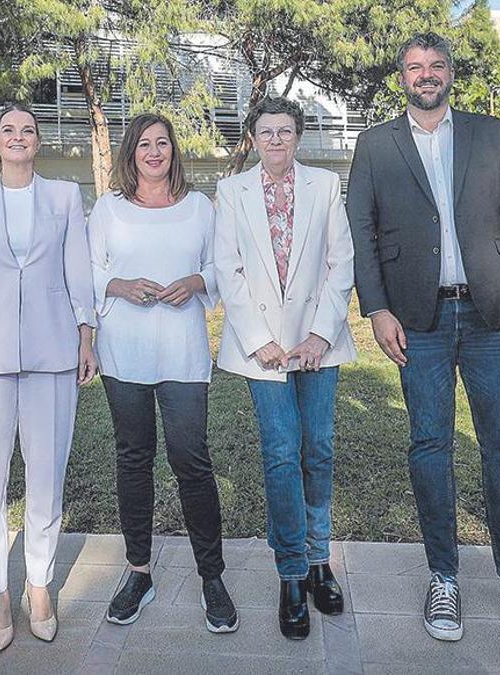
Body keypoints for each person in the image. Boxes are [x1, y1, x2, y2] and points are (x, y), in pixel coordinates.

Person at [346, 32, 500, 648]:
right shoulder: (375, 144)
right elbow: (361, 230)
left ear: (450, 74)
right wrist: (379, 308)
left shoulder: (491, 134)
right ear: (401, 77)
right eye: (414, 66)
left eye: (436, 65)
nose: (426, 74)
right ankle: (443, 576)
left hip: (492, 315)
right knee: (429, 444)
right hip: (417, 320)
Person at [0, 103, 97, 650]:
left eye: (27, 130)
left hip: (54, 350)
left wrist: (85, 332)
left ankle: (40, 584)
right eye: (8, 130)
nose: (18, 137)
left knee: (47, 477)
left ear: (38, 141)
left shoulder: (65, 197)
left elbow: (79, 268)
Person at [213, 96, 356, 640]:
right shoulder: (231, 191)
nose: (276, 140)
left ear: (298, 136)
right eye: (266, 132)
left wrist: (320, 334)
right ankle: (292, 573)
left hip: (319, 344)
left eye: (286, 131)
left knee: (317, 448)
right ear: (253, 138)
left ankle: (321, 559)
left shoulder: (324, 186)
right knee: (280, 454)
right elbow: (229, 268)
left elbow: (339, 262)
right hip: (264, 349)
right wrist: (260, 341)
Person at [89, 113, 237, 632]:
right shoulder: (108, 210)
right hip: (123, 353)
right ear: (131, 153)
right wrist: (118, 285)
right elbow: (86, 267)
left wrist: (197, 280)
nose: (154, 152)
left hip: (182, 353)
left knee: (191, 460)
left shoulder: (200, 208)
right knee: (133, 459)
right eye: (145, 145)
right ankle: (138, 572)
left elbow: (224, 266)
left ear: (174, 151)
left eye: (163, 144)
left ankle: (211, 576)